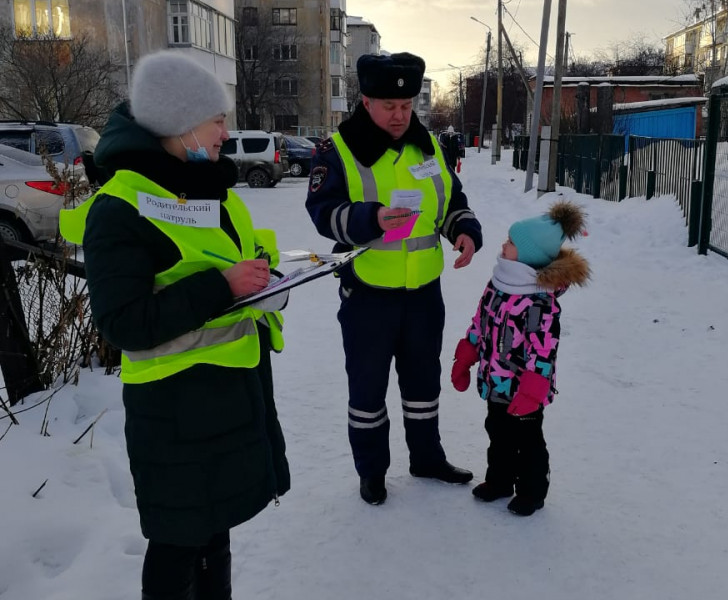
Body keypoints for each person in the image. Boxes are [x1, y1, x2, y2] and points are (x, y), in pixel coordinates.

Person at [59, 51, 290, 600]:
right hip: (174, 414)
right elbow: (123, 322)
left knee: (215, 534)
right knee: (177, 544)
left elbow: (237, 257)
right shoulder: (118, 208)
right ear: (180, 123)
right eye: (217, 120)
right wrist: (225, 286)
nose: (225, 134)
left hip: (230, 400)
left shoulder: (210, 188)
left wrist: (270, 276)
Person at [305, 52, 483, 506]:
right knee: (367, 389)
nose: (400, 115)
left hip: (424, 293)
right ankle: (372, 471)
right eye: (390, 106)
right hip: (368, 292)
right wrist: (372, 218)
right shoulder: (338, 149)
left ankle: (426, 458)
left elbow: (450, 200)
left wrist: (462, 230)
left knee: (423, 383)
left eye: (407, 105)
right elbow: (323, 214)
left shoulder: (429, 147)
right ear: (366, 101)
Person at [451, 199, 590, 516]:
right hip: (495, 379)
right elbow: (481, 320)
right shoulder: (500, 282)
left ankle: (532, 490)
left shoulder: (539, 300)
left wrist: (532, 388)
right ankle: (499, 481)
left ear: (528, 256)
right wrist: (467, 353)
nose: (503, 245)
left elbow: (544, 348)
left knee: (527, 440)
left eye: (511, 242)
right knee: (497, 432)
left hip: (525, 388)